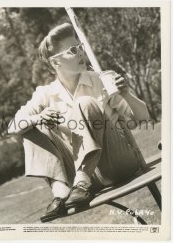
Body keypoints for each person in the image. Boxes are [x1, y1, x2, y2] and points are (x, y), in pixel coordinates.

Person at [8, 22, 149, 222]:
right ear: (55, 62)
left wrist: (126, 94)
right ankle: (60, 192)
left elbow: (143, 119)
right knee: (31, 126)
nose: (81, 52)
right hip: (83, 184)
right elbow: (12, 127)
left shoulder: (101, 79)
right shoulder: (45, 93)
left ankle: (81, 180)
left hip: (118, 163)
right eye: (73, 50)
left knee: (84, 104)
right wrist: (37, 118)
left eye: (80, 46)